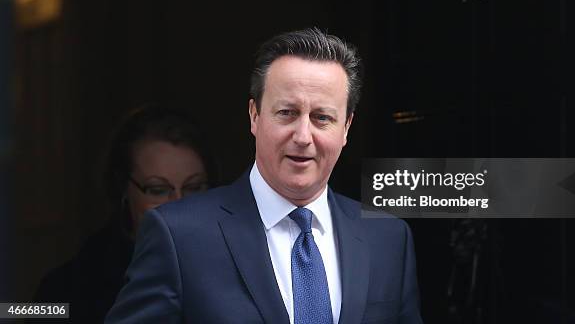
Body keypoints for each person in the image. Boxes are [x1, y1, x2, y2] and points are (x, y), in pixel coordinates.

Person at [106, 28, 423, 323]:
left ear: (346, 128)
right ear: (255, 116)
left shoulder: (388, 238)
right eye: (287, 113)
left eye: (322, 117)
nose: (302, 135)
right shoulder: (178, 236)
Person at [31, 105, 216, 323]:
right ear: (123, 190)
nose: (178, 205)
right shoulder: (68, 290)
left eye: (194, 188)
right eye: (158, 190)